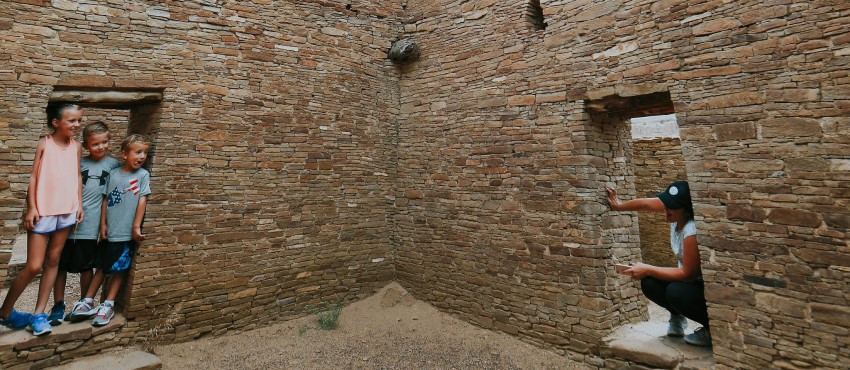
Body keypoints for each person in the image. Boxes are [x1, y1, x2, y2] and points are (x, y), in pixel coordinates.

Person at [0, 104, 84, 336]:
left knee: (54, 259)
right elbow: (33, 176)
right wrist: (32, 207)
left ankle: (39, 314)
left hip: (67, 211)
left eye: (79, 120)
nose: (77, 125)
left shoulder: (77, 147)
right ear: (56, 122)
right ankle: (5, 312)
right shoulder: (43, 144)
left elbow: (77, 175)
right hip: (43, 211)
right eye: (72, 121)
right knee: (34, 265)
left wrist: (79, 204)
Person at [606, 180, 711, 347]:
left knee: (675, 291)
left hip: (701, 288)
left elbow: (687, 274)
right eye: (666, 204)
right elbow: (646, 204)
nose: (666, 209)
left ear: (686, 210)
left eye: (671, 206)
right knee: (649, 284)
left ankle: (711, 329)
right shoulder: (675, 216)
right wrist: (618, 206)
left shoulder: (691, 230)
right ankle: (677, 317)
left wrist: (648, 268)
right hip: (688, 282)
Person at [67, 134, 150, 326]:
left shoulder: (142, 176)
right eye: (138, 152)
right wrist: (103, 224)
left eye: (144, 153)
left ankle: (109, 304)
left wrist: (136, 226)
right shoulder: (113, 174)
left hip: (125, 233)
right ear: (124, 154)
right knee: (102, 267)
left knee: (118, 269)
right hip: (109, 231)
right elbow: (105, 200)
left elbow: (142, 201)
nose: (142, 156)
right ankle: (87, 301)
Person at [48, 122, 120, 325]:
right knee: (60, 265)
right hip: (66, 223)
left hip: (90, 227)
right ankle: (58, 304)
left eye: (105, 142)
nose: (101, 146)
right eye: (96, 143)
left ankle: (84, 303)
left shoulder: (114, 165)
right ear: (86, 145)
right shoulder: (78, 163)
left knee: (86, 267)